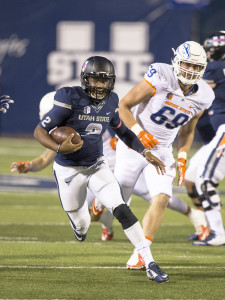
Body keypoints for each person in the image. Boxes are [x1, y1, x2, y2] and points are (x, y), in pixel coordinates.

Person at [33, 56, 169, 283]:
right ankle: (79, 226)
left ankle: (150, 262)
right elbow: (39, 131)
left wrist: (144, 152)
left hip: (97, 165)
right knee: (82, 223)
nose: (99, 85)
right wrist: (58, 146)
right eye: (95, 80)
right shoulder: (69, 97)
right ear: (85, 79)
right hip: (69, 170)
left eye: (104, 81)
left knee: (121, 209)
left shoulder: (111, 101)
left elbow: (122, 131)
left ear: (111, 83)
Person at [114, 41, 214, 268]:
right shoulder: (160, 74)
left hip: (162, 150)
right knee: (119, 201)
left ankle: (142, 252)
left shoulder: (205, 94)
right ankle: (101, 206)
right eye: (188, 64)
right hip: (133, 144)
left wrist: (182, 156)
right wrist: (139, 133)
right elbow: (124, 105)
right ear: (177, 62)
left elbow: (189, 127)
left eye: (197, 66)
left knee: (162, 197)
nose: (192, 70)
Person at [11, 91, 115, 242]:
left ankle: (105, 216)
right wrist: (30, 165)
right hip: (91, 168)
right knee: (87, 214)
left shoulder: (77, 122)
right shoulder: (72, 123)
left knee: (110, 206)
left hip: (109, 166)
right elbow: (47, 156)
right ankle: (107, 224)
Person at [182, 31, 225, 246]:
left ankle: (218, 233)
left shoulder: (216, 69)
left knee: (204, 179)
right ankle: (206, 227)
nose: (207, 54)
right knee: (191, 179)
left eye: (209, 50)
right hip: (218, 134)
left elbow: (191, 88)